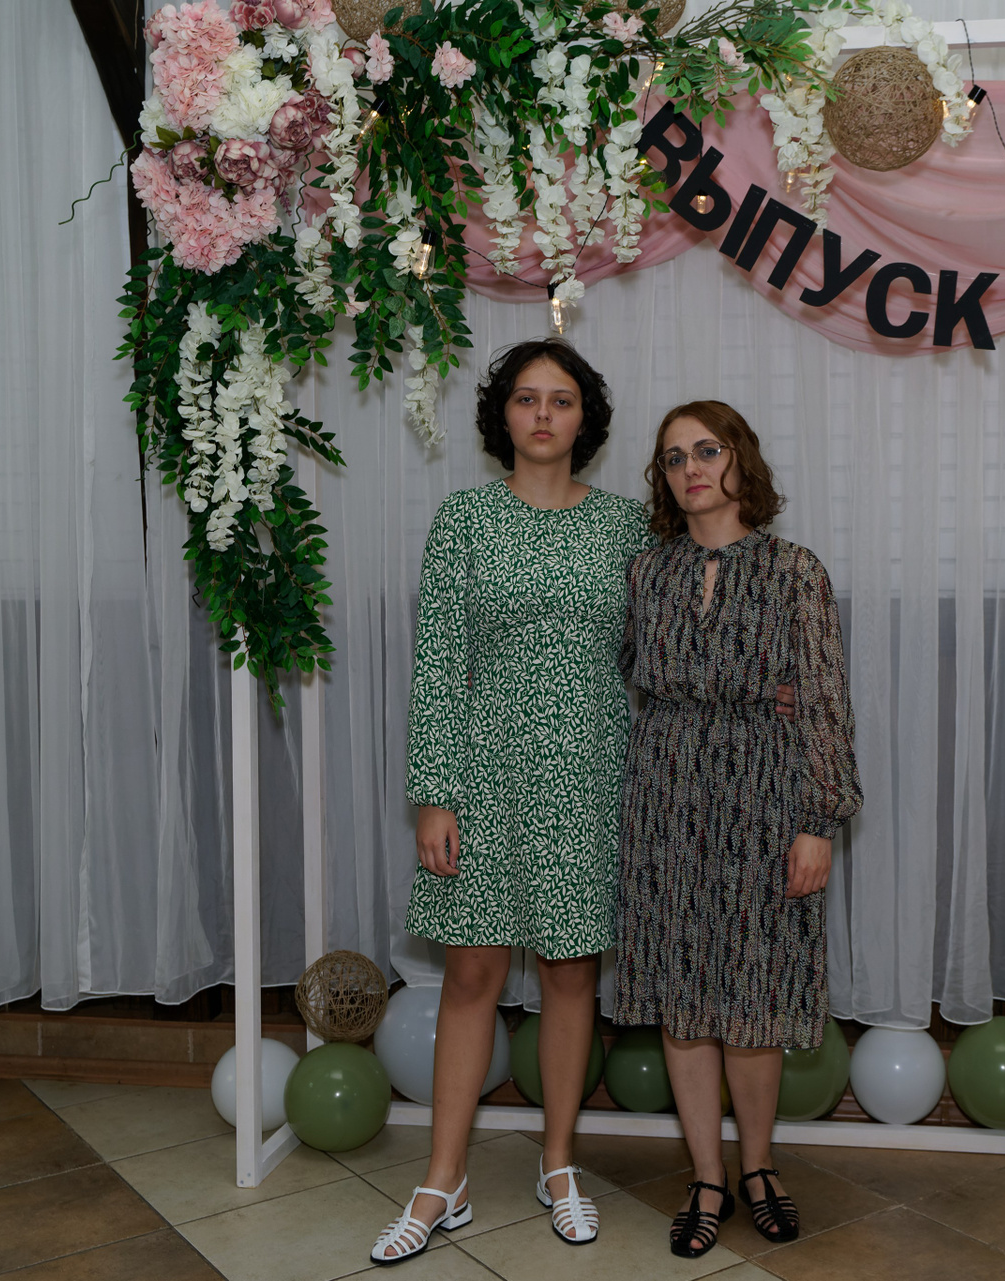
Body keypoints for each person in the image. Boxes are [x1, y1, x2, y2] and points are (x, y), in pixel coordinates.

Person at [373, 340, 648, 1264]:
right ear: (502, 415)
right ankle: (441, 1177)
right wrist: (433, 794)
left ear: (585, 418)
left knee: (571, 976)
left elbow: (658, 659)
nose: (542, 415)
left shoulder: (626, 527)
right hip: (483, 775)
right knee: (471, 977)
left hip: (589, 776)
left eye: (561, 400)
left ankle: (558, 1163)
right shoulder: (464, 520)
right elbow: (438, 666)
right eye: (526, 399)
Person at [614, 400, 862, 1259]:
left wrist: (818, 819)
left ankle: (760, 1167)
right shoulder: (647, 572)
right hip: (666, 791)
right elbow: (627, 671)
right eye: (674, 456)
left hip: (767, 793)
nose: (692, 467)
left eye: (707, 450)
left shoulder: (795, 571)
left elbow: (824, 699)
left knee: (754, 998)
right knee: (685, 999)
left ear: (738, 459)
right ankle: (706, 1177)